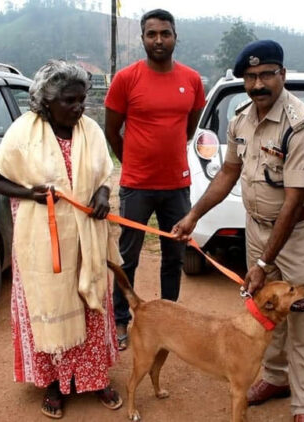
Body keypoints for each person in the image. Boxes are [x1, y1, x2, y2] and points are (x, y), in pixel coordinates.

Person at [172, 40, 304, 422]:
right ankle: (274, 377)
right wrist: (194, 215)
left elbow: (292, 203)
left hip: (296, 232)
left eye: (266, 75)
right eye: (251, 76)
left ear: (282, 75)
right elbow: (228, 172)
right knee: (263, 311)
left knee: (300, 316)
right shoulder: (240, 118)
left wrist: (262, 260)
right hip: (257, 226)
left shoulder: (302, 126)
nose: (258, 83)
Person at [0, 60, 123, 419]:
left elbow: (105, 175)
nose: (78, 107)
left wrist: (102, 195)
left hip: (85, 240)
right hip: (42, 243)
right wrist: (30, 193)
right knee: (49, 307)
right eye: (69, 100)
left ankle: (95, 377)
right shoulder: (23, 132)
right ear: (47, 101)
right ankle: (54, 383)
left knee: (90, 304)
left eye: (82, 99)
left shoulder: (91, 130)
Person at [104, 8, 206, 351]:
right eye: (152, 34)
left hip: (177, 187)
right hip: (136, 186)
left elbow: (189, 128)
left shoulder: (191, 80)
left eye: (165, 33)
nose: (159, 40)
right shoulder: (126, 79)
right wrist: (131, 161)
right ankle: (121, 318)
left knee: (174, 257)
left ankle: (170, 320)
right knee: (127, 257)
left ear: (176, 36)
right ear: (143, 38)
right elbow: (111, 130)